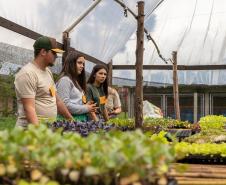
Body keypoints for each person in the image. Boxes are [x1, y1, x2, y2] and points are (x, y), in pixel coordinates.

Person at [14, 36, 73, 127]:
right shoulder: (27, 73)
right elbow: (29, 109)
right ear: (43, 52)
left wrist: (71, 120)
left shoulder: (48, 72)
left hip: (47, 130)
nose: (56, 56)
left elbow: (57, 101)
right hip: (30, 133)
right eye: (54, 53)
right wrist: (40, 136)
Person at [56, 51, 97, 121]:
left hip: (78, 121)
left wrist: (85, 105)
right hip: (68, 122)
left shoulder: (75, 81)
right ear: (71, 63)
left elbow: (74, 102)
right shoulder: (65, 80)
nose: (82, 66)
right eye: (79, 63)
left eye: (83, 64)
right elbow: (64, 105)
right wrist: (86, 108)